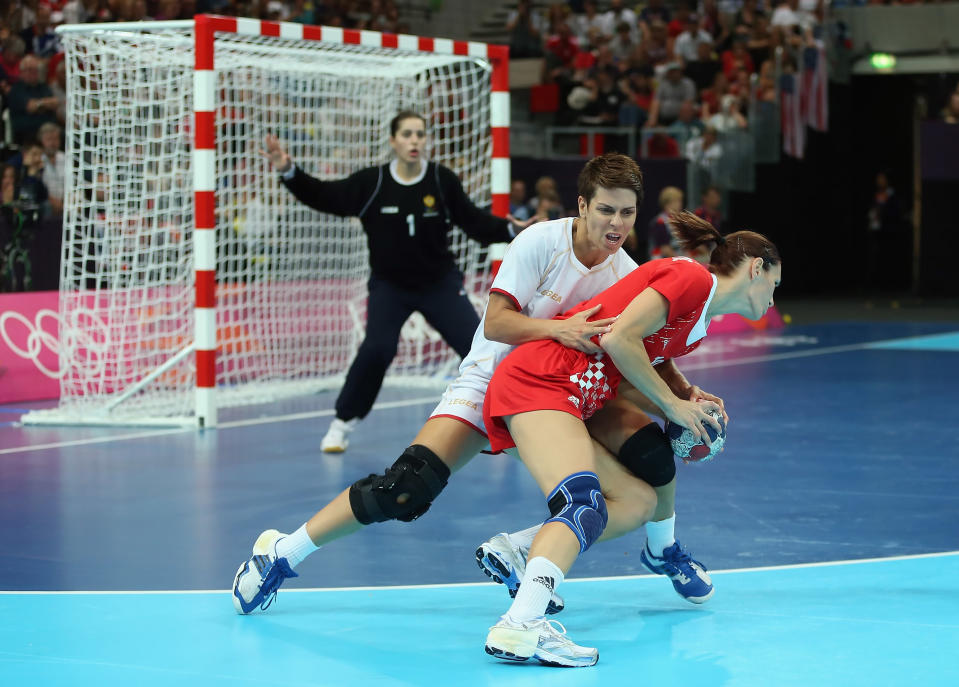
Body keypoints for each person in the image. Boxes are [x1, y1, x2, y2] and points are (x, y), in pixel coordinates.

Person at [231, 155, 718, 621]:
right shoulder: (540, 243)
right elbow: (498, 322)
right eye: (606, 210)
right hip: (491, 380)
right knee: (405, 490)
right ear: (583, 205)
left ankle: (563, 557)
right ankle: (280, 552)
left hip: (560, 397)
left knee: (645, 468)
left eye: (627, 212)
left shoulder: (627, 272)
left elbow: (642, 349)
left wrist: (682, 393)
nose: (617, 223)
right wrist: (559, 331)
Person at [483, 213, 781, 666]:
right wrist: (673, 407)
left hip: (578, 396)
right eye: (775, 284)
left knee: (637, 502)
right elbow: (621, 337)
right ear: (756, 268)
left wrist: (682, 394)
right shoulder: (691, 278)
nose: (774, 296)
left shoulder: (697, 324)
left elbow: (638, 358)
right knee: (581, 503)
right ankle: (520, 626)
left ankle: (519, 549)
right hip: (544, 379)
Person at [261, 110, 532, 453]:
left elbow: (473, 221)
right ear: (393, 141)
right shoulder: (372, 183)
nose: (414, 141)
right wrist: (289, 171)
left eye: (420, 134)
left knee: (480, 349)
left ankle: (511, 420)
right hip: (391, 287)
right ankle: (342, 423)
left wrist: (509, 230)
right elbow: (324, 196)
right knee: (377, 348)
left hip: (439, 284)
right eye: (407, 134)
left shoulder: (441, 180)